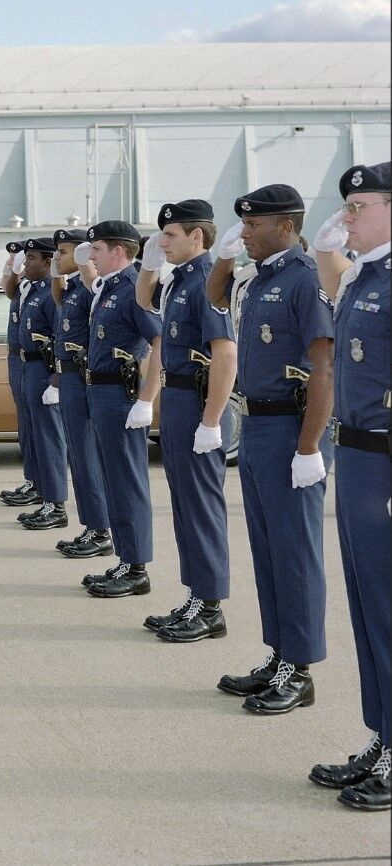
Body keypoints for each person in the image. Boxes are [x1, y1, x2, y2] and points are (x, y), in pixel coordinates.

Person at [211, 184, 334, 716]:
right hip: (258, 426)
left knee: (294, 552)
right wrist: (224, 256)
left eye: (254, 225)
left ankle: (299, 668)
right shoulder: (260, 278)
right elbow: (213, 297)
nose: (246, 234)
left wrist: (310, 446)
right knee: (266, 551)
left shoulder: (303, 280)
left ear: (286, 225)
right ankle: (279, 652)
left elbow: (323, 366)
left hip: (291, 429)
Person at [307, 162, 390, 811]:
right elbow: (330, 262)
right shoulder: (367, 279)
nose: (348, 216)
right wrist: (336, 239)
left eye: (359, 205)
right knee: (369, 611)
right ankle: (383, 736)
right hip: (358, 459)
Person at [136, 200, 238, 643]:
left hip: (198, 403)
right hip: (177, 398)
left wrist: (212, 421)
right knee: (183, 506)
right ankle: (197, 596)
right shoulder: (179, 280)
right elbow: (143, 299)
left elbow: (226, 354)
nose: (163, 241)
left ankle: (211, 605)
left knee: (201, 508)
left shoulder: (209, 281)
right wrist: (150, 263)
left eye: (171, 235)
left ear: (198, 235)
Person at [81, 220, 164, 598]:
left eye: (97, 248)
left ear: (119, 251)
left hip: (122, 397)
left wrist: (146, 399)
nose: (91, 254)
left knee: (128, 482)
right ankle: (126, 558)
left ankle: (137, 567)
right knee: (114, 480)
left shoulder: (132, 289)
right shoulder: (110, 288)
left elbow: (159, 340)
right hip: (101, 394)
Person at [50, 229, 112, 558]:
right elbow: (59, 293)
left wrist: (86, 264)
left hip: (85, 376)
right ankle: (91, 525)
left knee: (87, 457)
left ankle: (101, 529)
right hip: (70, 376)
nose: (57, 258)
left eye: (63, 252)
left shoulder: (92, 289)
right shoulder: (73, 288)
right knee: (78, 456)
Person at [12, 237, 69, 531]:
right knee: (35, 436)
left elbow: (61, 337)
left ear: (48, 263)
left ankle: (56, 504)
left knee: (49, 439)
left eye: (32, 258)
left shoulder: (51, 295)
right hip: (28, 367)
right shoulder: (32, 291)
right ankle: (45, 496)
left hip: (43, 369)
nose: (26, 263)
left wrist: (56, 381)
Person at [0, 246, 41, 506]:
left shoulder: (43, 287)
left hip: (36, 360)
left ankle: (43, 486)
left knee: (40, 430)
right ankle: (33, 480)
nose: (18, 262)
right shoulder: (24, 287)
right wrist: (10, 269)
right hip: (18, 357)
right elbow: (7, 289)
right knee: (26, 427)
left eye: (24, 257)